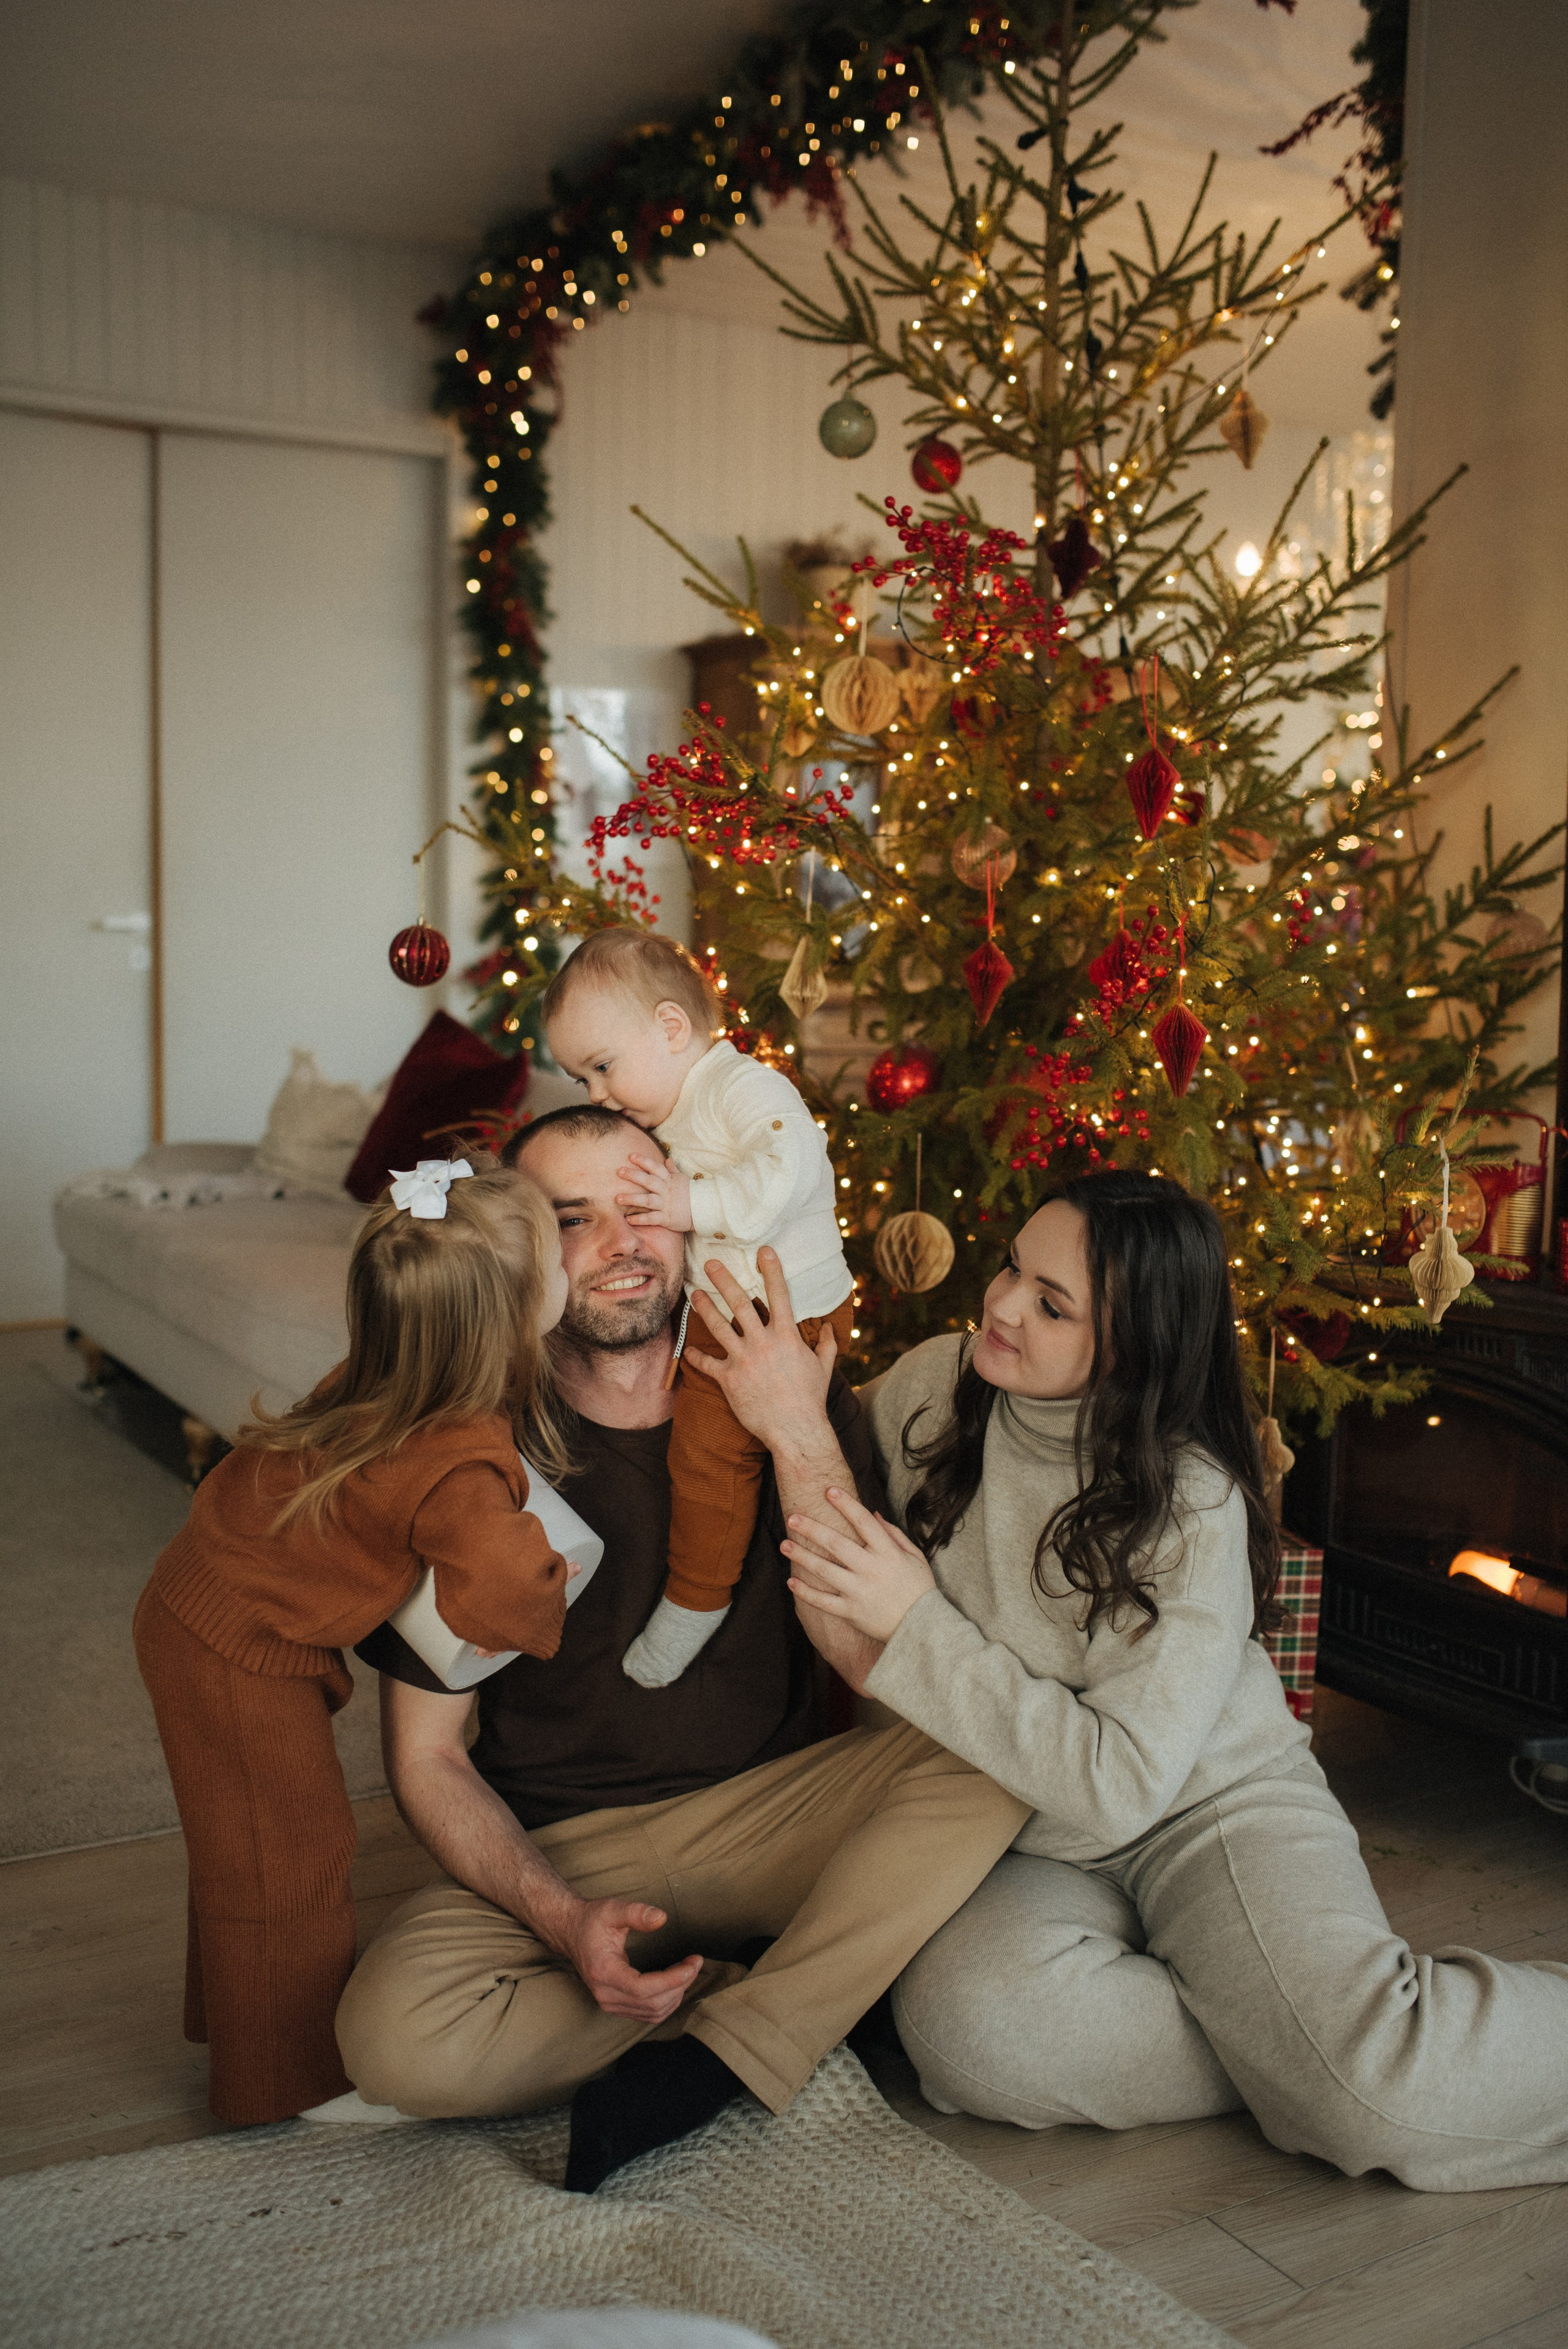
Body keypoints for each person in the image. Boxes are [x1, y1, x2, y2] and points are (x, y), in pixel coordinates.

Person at [777, 1167, 1568, 2193]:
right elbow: (823, 1459)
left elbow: (1121, 1784)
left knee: (1386, 2097)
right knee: (968, 2037)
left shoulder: (1191, 1501)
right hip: (1016, 1826)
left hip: (1207, 1808)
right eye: (1014, 1267)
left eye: (1051, 1304)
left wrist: (915, 1628)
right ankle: (1299, 2055)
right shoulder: (938, 1384)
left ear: (1133, 1348)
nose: (1004, 1305)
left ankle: (1348, 2057)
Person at [335, 1104, 1028, 2192]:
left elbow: (872, 1661)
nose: (623, 1242)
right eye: (574, 1218)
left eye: (644, 1202)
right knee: (391, 2039)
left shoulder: (792, 1391)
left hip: (777, 1817)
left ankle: (725, 2053)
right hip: (568, 1848)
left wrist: (796, 1427)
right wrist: (564, 1922)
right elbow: (426, 1756)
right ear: (520, 1255)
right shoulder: (466, 1451)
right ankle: (771, 1991)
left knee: (998, 1751)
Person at [132, 1156, 578, 2127]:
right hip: (238, 1651)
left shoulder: (388, 1376)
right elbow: (505, 1597)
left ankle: (241, 2025)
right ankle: (285, 2087)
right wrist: (553, 1573)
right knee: (287, 1855)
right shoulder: (461, 1456)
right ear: (508, 1323)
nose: (574, 1266)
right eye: (560, 1257)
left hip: (196, 1605)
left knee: (241, 1843)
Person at [541, 928, 854, 1688]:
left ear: (672, 1029)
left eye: (602, 1066)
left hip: (788, 1317)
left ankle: (697, 1597)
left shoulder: (744, 1087)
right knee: (705, 1455)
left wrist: (691, 1198)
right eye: (581, 1077)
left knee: (710, 1458)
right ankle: (708, 1591)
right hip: (736, 1311)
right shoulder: (675, 1114)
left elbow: (791, 1162)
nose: (595, 1093)